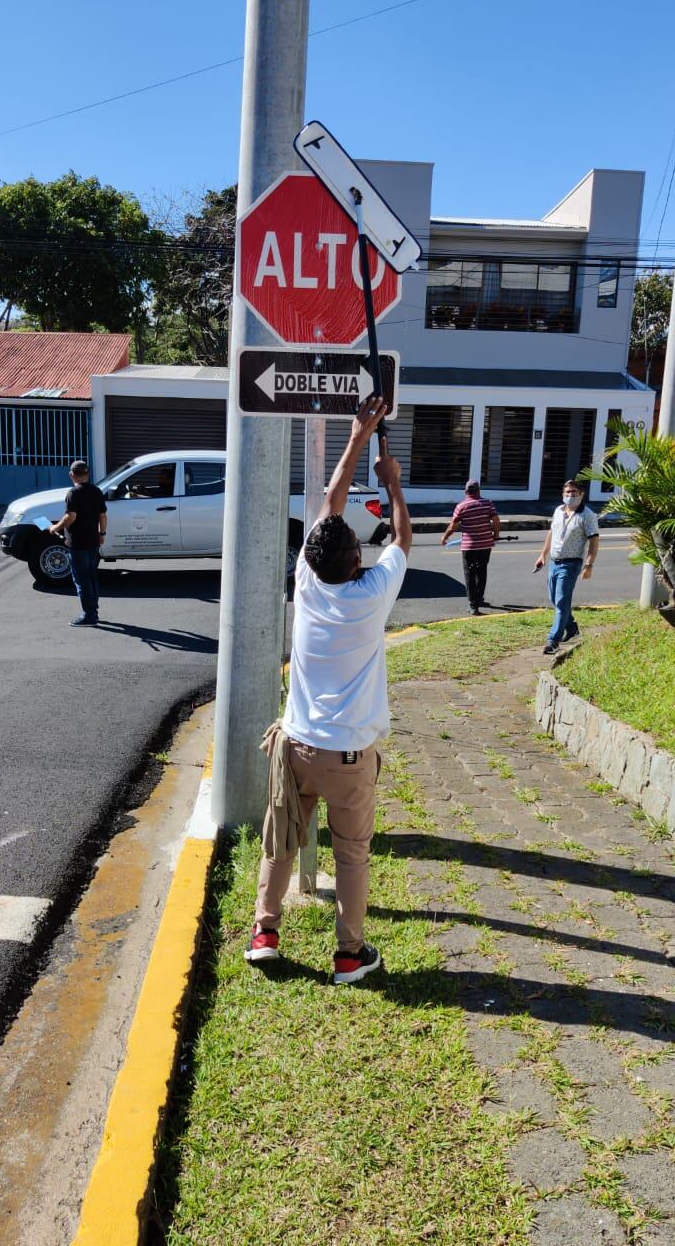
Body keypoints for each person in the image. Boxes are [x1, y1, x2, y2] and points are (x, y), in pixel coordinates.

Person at [244, 396, 412, 985]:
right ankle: (348, 954)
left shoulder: (306, 583)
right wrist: (391, 485)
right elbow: (403, 539)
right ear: (356, 558)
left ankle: (265, 931)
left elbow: (328, 505)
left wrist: (357, 438)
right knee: (352, 854)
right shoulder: (372, 595)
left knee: (280, 839)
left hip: (294, 748)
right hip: (348, 756)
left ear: (312, 559)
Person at [535, 478, 599, 655]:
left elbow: (594, 541)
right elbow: (551, 533)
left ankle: (553, 640)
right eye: (567, 492)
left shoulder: (587, 515)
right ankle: (571, 627)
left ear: (581, 494)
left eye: (574, 492)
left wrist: (589, 564)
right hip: (555, 562)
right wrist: (543, 555)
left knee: (562, 602)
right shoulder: (558, 511)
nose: (570, 495)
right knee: (554, 600)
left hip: (571, 564)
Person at [49, 460, 107, 627]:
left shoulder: (73, 493)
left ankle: (89, 616)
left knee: (81, 580)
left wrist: (55, 528)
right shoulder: (96, 491)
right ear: (87, 474)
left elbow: (71, 516)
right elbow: (103, 516)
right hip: (93, 541)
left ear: (71, 475)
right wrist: (102, 533)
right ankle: (93, 611)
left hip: (78, 543)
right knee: (91, 577)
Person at [440, 479, 500, 615]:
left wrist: (445, 537)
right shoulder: (487, 503)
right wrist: (495, 535)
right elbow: (496, 519)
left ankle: (473, 605)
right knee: (482, 570)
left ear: (466, 492)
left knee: (470, 573)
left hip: (469, 546)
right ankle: (479, 598)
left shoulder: (461, 506)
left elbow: (453, 525)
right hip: (485, 544)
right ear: (479, 491)